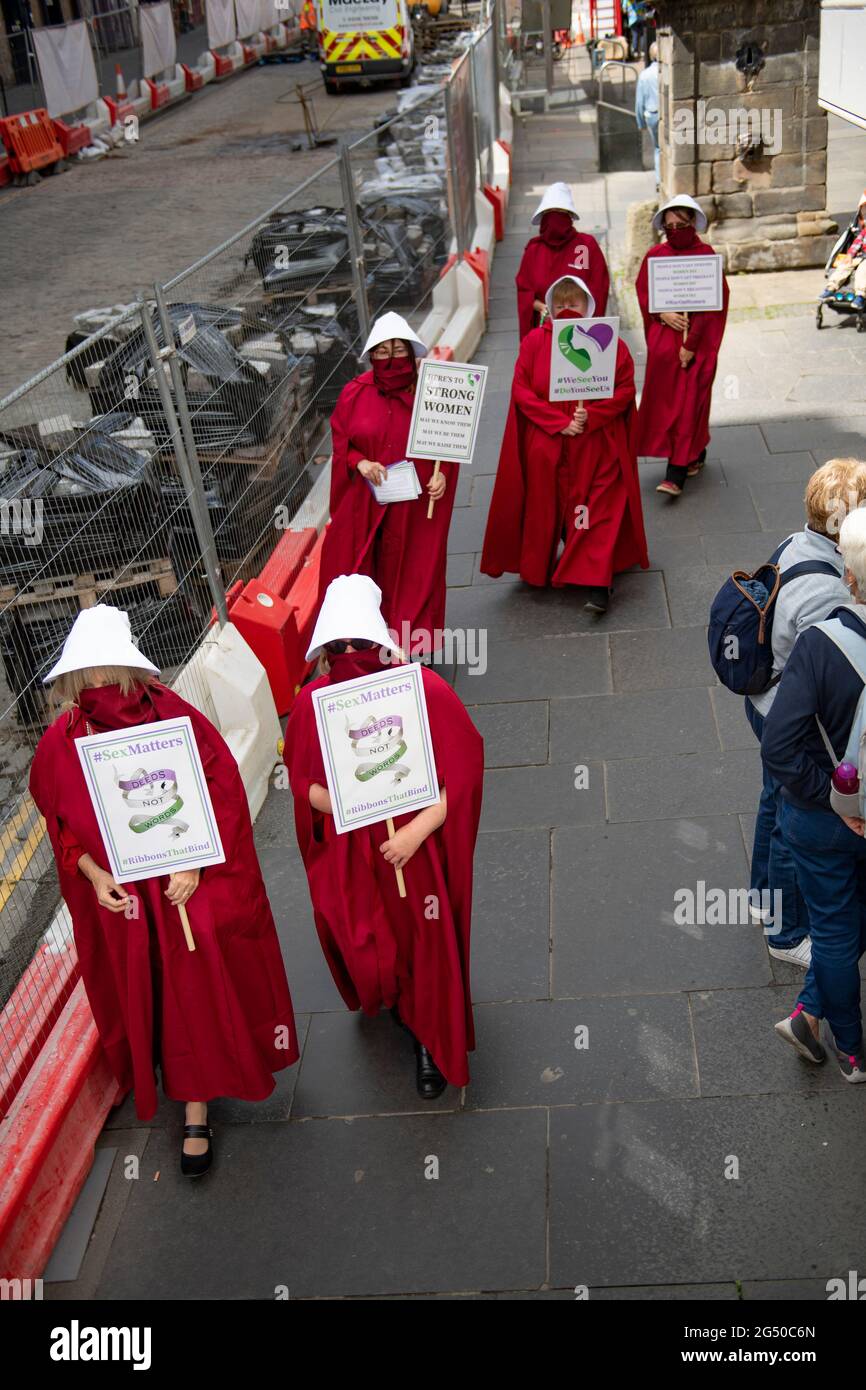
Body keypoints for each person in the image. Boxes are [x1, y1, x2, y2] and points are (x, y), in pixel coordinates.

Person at [28, 606, 299, 1175]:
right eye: (89, 673)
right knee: (151, 980)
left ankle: (196, 1106)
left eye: (108, 670)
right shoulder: (63, 740)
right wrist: (93, 875)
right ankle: (170, 1071)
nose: (100, 683)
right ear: (75, 679)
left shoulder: (171, 715)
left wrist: (196, 862)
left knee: (194, 974)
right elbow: (62, 826)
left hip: (183, 880)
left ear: (129, 670)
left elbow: (220, 790)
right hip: (125, 894)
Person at [284, 574, 484, 1099]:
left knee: (424, 937)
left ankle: (429, 1035)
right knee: (369, 938)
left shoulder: (423, 690)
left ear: (380, 641)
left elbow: (462, 775)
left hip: (414, 852)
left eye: (361, 644)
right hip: (353, 854)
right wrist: (349, 803)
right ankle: (396, 999)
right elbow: (302, 787)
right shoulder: (310, 704)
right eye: (339, 646)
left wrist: (417, 831)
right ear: (326, 650)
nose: (351, 653)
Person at [745, 459, 866, 967]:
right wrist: (826, 793)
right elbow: (825, 668)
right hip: (791, 718)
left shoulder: (797, 543)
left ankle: (760, 897)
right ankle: (786, 934)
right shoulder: (831, 588)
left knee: (773, 803)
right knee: (791, 826)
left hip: (765, 700)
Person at [763, 507, 866, 1082]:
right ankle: (810, 1010)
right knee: (850, 924)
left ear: (848, 578)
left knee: (832, 926)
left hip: (825, 823)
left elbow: (779, 747)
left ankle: (849, 1048)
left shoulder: (821, 645)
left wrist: (834, 801)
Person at [480, 275, 648, 613]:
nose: (567, 309)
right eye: (560, 304)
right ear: (550, 308)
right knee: (554, 509)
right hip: (549, 447)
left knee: (598, 510)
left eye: (574, 303)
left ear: (588, 305)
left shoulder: (612, 344)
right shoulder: (533, 342)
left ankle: (598, 582)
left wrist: (594, 416)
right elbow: (522, 391)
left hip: (598, 447)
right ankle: (565, 557)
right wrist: (560, 424)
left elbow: (626, 389)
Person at [318, 312, 452, 658]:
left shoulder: (433, 392)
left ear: (410, 352)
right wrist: (360, 463)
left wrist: (443, 475)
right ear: (372, 356)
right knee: (362, 566)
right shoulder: (353, 394)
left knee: (415, 570)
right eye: (383, 352)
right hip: (367, 500)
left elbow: (447, 443)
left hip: (417, 502)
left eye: (398, 351)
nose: (391, 359)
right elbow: (342, 441)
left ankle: (413, 645)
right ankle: (366, 643)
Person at [635, 194, 729, 497]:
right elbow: (644, 291)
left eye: (681, 224)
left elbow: (711, 304)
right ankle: (695, 451)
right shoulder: (654, 255)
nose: (675, 230)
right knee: (669, 405)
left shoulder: (705, 254)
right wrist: (660, 312)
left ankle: (675, 473)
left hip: (695, 346)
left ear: (692, 224)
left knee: (689, 404)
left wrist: (692, 343)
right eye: (670, 225)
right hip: (665, 346)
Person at [515, 182, 610, 340]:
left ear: (569, 216)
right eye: (550, 212)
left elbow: (599, 287)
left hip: (581, 331)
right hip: (546, 331)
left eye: (560, 212)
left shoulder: (586, 245)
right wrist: (543, 308)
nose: (555, 218)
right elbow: (524, 292)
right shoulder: (533, 250)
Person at [820, 191, 866, 310]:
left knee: (862, 272)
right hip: (860, 256)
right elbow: (857, 242)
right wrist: (850, 255)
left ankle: (860, 295)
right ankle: (830, 288)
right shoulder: (863, 231)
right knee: (843, 267)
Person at [635, 41, 660, 185]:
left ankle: (658, 181)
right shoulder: (664, 72)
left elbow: (640, 102)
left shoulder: (644, 75)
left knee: (657, 148)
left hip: (651, 115)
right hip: (666, 114)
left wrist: (640, 122)